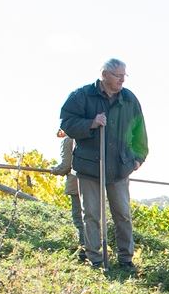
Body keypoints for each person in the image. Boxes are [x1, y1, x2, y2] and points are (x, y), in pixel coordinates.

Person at [59, 59, 148, 271]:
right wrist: (91, 123)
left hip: (119, 168)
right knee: (91, 214)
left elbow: (140, 131)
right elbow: (66, 124)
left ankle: (125, 260)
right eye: (118, 75)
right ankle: (95, 259)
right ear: (105, 75)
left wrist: (137, 158)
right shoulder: (81, 96)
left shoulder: (129, 99)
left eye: (125, 75)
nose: (122, 80)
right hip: (89, 167)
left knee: (123, 215)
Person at [49, 129, 87, 262]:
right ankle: (92, 248)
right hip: (94, 182)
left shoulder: (69, 139)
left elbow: (66, 165)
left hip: (76, 183)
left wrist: (54, 170)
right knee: (93, 216)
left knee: (79, 218)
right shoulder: (88, 136)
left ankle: (84, 250)